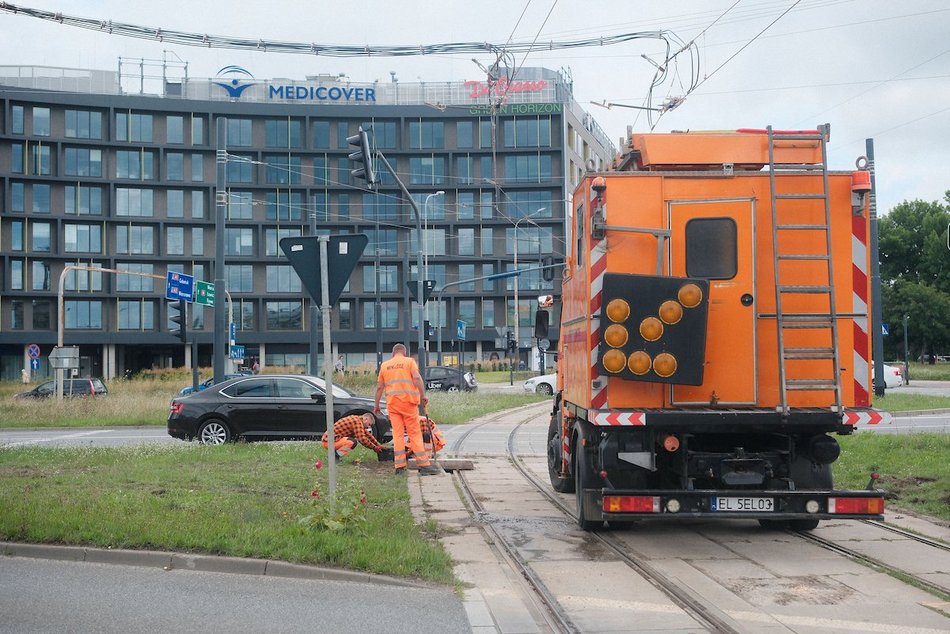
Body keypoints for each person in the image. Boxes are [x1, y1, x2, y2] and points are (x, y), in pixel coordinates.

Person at [374, 344, 440, 476]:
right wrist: (423, 396)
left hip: (392, 405)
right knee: (414, 433)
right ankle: (423, 465)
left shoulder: (385, 365)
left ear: (393, 353)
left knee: (397, 435)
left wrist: (376, 405)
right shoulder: (409, 362)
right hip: (408, 404)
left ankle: (400, 467)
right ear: (404, 352)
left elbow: (380, 387)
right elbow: (416, 378)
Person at [321, 412, 386, 462]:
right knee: (352, 442)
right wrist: (374, 448)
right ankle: (334, 457)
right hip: (328, 442)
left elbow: (368, 435)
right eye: (369, 424)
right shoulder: (357, 421)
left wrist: (379, 445)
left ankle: (334, 457)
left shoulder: (357, 420)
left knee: (351, 441)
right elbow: (362, 439)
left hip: (330, 440)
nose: (369, 427)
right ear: (365, 419)